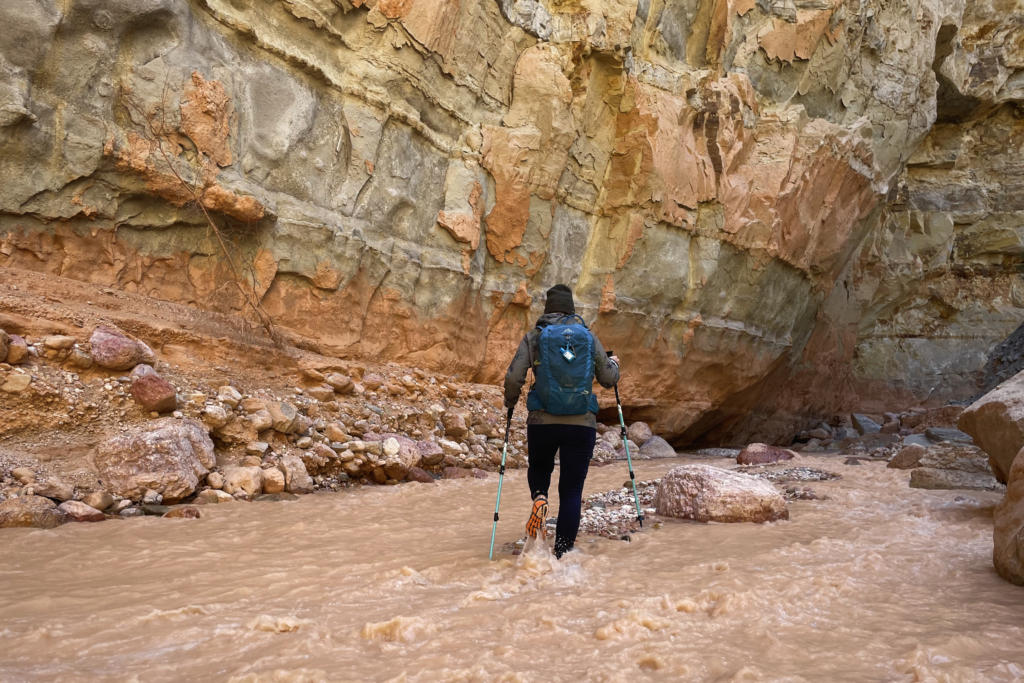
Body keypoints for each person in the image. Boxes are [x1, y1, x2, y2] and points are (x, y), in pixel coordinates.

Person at [504, 284, 620, 558]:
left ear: (547, 309)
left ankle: (539, 497)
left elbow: (513, 378)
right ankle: (563, 555)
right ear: (571, 310)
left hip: (542, 423)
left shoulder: (535, 337)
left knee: (540, 470)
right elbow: (607, 379)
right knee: (571, 490)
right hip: (581, 425)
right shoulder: (588, 338)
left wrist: (510, 404)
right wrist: (615, 364)